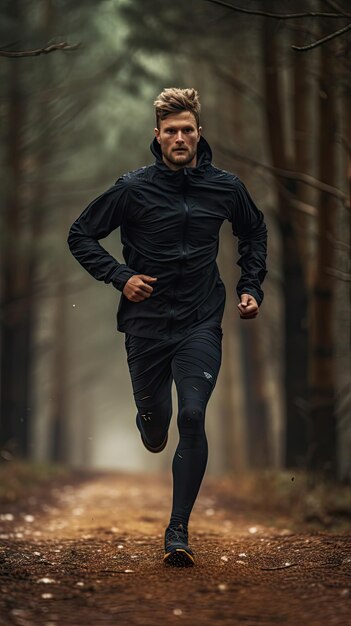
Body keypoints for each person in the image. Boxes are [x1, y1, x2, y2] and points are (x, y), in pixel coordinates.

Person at [68, 87, 267, 567]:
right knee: (157, 430)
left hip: (201, 319)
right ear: (156, 137)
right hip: (146, 326)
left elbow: (254, 230)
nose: (180, 137)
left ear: (200, 135)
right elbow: (80, 234)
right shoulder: (132, 188)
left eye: (188, 130)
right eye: (171, 131)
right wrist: (121, 277)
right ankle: (149, 423)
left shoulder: (225, 187)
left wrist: (251, 286)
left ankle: (178, 531)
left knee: (193, 416)